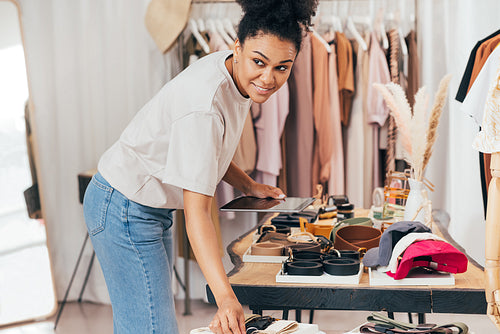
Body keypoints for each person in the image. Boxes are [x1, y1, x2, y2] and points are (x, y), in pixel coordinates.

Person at [82, 0, 318, 333]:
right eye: (259, 62)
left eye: (282, 67)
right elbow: (197, 215)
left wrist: (248, 184)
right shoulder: (204, 106)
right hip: (123, 207)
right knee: (152, 329)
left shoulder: (231, 73)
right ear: (237, 48)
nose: (268, 78)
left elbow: (209, 151)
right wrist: (225, 298)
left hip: (145, 207)